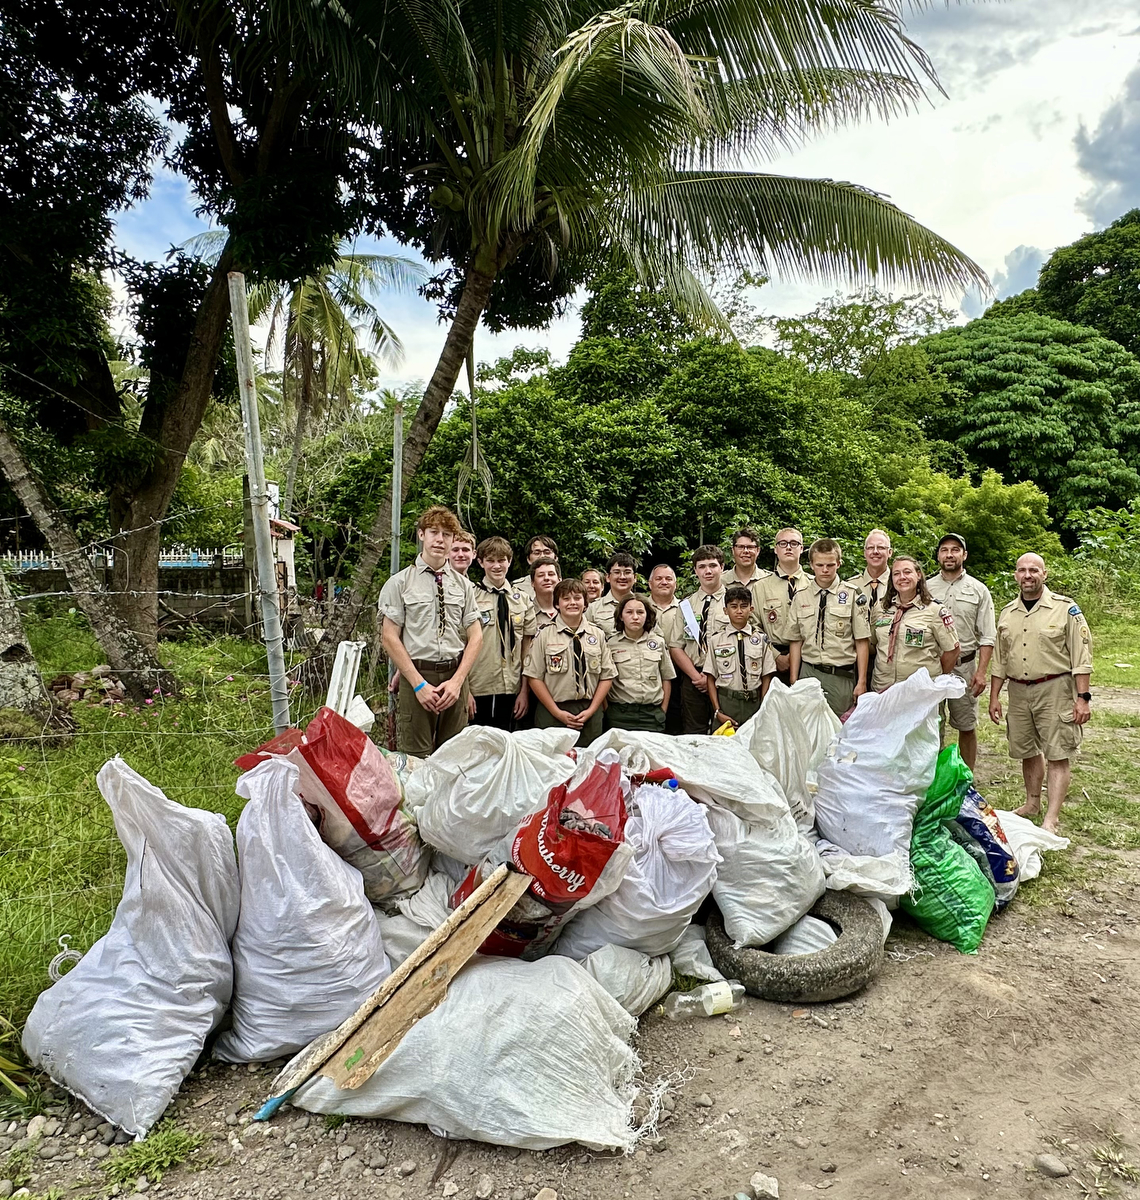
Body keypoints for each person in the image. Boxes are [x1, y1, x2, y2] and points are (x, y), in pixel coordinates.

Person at [988, 553, 1092, 834]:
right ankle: (1031, 803)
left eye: (1034, 570)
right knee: (1027, 750)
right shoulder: (1008, 612)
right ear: (1015, 576)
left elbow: (1081, 656)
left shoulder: (1065, 609)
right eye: (1022, 570)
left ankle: (1052, 817)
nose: (1027, 575)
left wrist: (1083, 698)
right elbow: (1000, 658)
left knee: (1057, 753)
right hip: (1019, 691)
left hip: (1054, 688)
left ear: (1044, 574)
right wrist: (994, 695)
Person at [379, 505, 483, 756]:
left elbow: (476, 635)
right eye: (434, 532)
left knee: (455, 757)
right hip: (417, 675)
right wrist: (417, 685)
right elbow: (389, 637)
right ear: (421, 535)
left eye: (447, 534)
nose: (440, 539)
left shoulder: (463, 585)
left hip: (453, 677)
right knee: (416, 757)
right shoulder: (400, 583)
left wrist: (458, 683)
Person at [926, 533, 996, 771]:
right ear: (938, 555)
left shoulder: (978, 590)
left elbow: (987, 636)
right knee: (931, 724)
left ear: (964, 555)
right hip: (931, 666)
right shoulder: (925, 587)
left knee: (966, 725)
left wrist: (981, 672)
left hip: (965, 667)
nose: (949, 554)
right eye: (944, 550)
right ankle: (932, 777)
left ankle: (966, 779)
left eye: (955, 550)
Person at [524, 578, 615, 743]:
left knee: (589, 761)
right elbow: (534, 677)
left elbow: (607, 676)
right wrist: (557, 712)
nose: (572, 603)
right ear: (557, 604)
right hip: (553, 710)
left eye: (577, 598)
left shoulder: (597, 634)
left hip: (589, 710)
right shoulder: (544, 635)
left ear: (585, 603)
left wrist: (593, 709)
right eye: (566, 598)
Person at [788, 538, 870, 717]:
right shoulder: (801, 597)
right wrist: (794, 678)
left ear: (839, 563)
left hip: (840, 675)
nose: (825, 570)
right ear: (811, 565)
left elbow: (862, 641)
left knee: (838, 729)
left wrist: (861, 681)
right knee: (806, 726)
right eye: (820, 565)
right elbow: (795, 640)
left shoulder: (852, 595)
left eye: (830, 565)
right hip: (808, 672)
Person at [467, 536, 537, 731]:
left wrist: (524, 691)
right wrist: (465, 692)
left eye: (501, 560)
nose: (496, 566)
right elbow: (459, 646)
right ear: (480, 562)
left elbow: (527, 650)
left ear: (509, 561)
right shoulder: (470, 596)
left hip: (512, 688)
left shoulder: (522, 600)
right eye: (490, 560)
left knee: (508, 744)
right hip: (478, 686)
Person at [870, 555, 959, 693]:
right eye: (896, 574)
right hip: (883, 688)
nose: (902, 577)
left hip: (921, 692)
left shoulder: (935, 610)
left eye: (907, 572)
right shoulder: (881, 608)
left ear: (918, 575)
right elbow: (872, 644)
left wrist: (933, 679)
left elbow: (952, 650)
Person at [665, 544, 728, 735]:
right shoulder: (685, 606)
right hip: (694, 678)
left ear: (722, 567)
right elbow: (676, 646)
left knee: (725, 730)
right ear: (695, 570)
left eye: (712, 565)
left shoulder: (734, 601)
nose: (707, 571)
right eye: (702, 566)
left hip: (725, 676)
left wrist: (711, 676)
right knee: (694, 732)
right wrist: (697, 676)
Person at [704, 585, 777, 728]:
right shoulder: (716, 640)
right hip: (727, 702)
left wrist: (763, 705)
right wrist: (717, 710)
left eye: (744, 606)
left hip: (754, 702)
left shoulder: (761, 639)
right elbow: (710, 678)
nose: (739, 611)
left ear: (751, 609)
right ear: (725, 610)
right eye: (733, 606)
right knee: (725, 746)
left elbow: (766, 675)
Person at [605, 594, 676, 732]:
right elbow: (604, 679)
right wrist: (607, 710)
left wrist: (663, 710)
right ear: (621, 616)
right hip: (620, 714)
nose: (635, 617)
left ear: (647, 615)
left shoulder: (658, 642)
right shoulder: (611, 644)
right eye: (629, 612)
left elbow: (666, 677)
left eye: (640, 612)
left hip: (652, 714)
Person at [750, 527, 809, 683]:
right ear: (776, 549)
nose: (788, 547)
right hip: (772, 659)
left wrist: (798, 653)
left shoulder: (813, 584)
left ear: (801, 548)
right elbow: (753, 627)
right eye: (783, 543)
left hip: (808, 658)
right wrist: (775, 656)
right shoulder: (760, 587)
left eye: (794, 543)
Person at [647, 563, 683, 734]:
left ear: (675, 584)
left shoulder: (686, 609)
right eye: (659, 578)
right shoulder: (638, 608)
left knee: (677, 723)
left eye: (668, 579)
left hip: (679, 675)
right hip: (647, 676)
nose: (664, 582)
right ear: (650, 583)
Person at [585, 551, 638, 635]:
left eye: (627, 572)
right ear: (608, 577)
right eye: (617, 572)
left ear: (635, 577)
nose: (622, 577)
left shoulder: (645, 606)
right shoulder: (592, 609)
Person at [847, 528, 893, 616]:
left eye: (880, 547)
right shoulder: (850, 586)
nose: (875, 551)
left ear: (890, 552)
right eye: (871, 548)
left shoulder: (898, 585)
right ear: (865, 553)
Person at [512, 535, 559, 600]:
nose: (542, 556)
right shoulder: (518, 588)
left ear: (555, 558)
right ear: (528, 559)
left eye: (547, 552)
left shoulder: (566, 587)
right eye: (537, 553)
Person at [529, 557, 561, 630]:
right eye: (541, 575)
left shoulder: (569, 610)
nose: (546, 578)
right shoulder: (526, 612)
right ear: (532, 583)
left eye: (551, 574)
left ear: (559, 580)